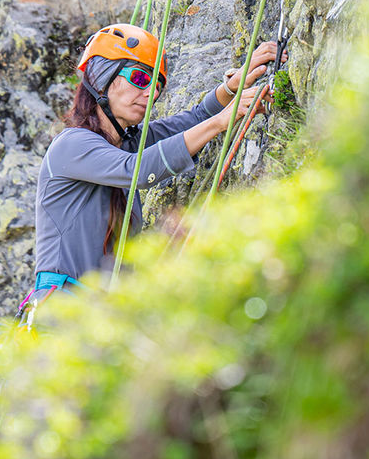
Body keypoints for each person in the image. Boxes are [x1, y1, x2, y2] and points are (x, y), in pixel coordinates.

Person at [29, 23, 283, 298]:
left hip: (100, 319)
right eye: (139, 78)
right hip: (60, 315)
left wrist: (231, 87)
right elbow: (136, 170)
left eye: (157, 86)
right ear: (102, 75)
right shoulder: (71, 145)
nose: (151, 93)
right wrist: (222, 121)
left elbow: (194, 120)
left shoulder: (125, 144)